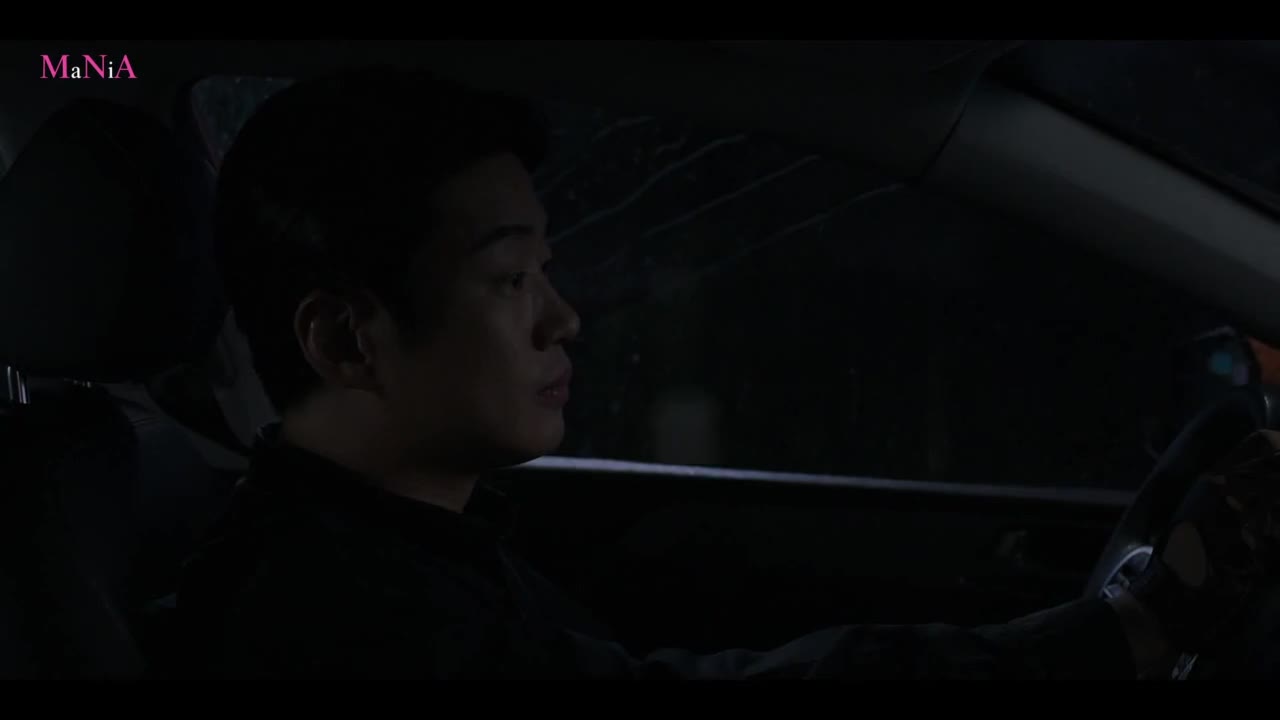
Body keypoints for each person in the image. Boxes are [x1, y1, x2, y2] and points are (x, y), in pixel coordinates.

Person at [176, 67, 1279, 678]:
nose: (563, 318)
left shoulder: (400, 550)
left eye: (548, 270)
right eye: (510, 279)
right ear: (347, 343)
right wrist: (1122, 631)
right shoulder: (334, 621)